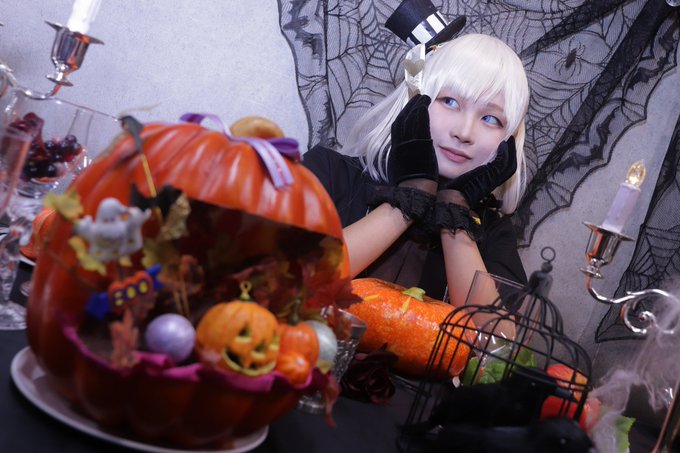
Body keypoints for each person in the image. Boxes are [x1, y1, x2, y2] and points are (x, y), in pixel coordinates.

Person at [303, 29, 530, 310]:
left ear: (508, 141)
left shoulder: (493, 232)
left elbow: (496, 335)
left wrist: (455, 213)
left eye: (490, 118)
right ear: (414, 99)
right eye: (450, 102)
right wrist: (410, 197)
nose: (464, 132)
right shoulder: (328, 172)